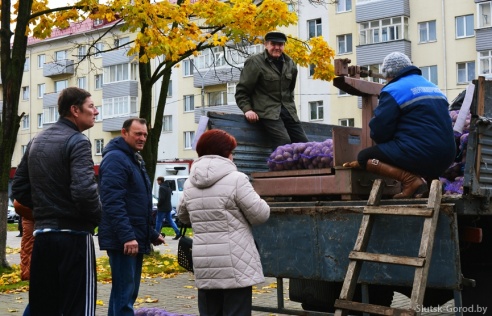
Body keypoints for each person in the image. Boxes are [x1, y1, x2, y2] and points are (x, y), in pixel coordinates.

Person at [11, 87, 102, 315]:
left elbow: (20, 189)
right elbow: (84, 191)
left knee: (43, 307)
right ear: (74, 110)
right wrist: (97, 217)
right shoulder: (78, 141)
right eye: (91, 106)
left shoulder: (36, 141)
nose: (96, 112)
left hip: (43, 238)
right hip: (74, 238)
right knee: (79, 307)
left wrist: (45, 209)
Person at [178, 129, 270, 316]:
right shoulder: (237, 180)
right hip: (235, 264)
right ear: (225, 153)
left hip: (205, 264)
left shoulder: (189, 183)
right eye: (232, 152)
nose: (233, 156)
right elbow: (260, 214)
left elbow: (182, 216)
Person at [343, 52, 456, 198]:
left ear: (389, 74)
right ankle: (432, 187)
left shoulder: (393, 89)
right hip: (447, 155)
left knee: (364, 157)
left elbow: (379, 131)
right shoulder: (433, 87)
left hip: (421, 153)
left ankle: (410, 180)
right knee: (422, 144)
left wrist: (389, 143)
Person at [98, 118, 165, 316]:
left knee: (125, 294)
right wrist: (127, 236)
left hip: (133, 237)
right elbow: (112, 202)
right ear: (124, 133)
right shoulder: (116, 159)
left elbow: (135, 204)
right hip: (123, 240)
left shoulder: (133, 158)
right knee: (124, 296)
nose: (142, 138)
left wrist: (151, 233)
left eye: (144, 134)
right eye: (138, 134)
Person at [235, 31, 309, 150]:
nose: (277, 47)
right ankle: (281, 167)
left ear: (284, 46)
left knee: (304, 144)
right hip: (266, 112)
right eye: (273, 44)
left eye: (280, 45)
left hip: (288, 111)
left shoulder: (290, 64)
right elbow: (242, 91)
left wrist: (292, 110)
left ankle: (303, 168)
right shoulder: (255, 62)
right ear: (266, 44)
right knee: (283, 142)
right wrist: (247, 109)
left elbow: (290, 91)